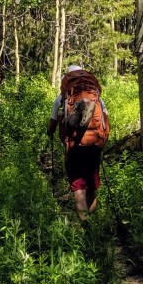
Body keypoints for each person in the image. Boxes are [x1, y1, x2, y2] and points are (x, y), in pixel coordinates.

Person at [47, 64, 109, 220]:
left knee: (78, 187)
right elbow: (106, 123)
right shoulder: (97, 98)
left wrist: (50, 133)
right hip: (94, 145)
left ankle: (85, 224)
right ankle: (93, 223)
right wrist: (101, 143)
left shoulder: (62, 98)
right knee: (92, 185)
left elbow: (53, 123)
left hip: (74, 146)